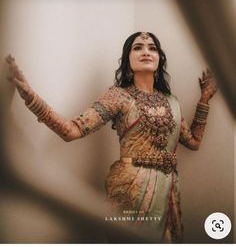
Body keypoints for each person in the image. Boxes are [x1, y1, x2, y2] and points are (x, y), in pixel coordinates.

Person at [5, 31, 217, 243]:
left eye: (152, 48)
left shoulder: (171, 104)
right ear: (127, 58)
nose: (146, 52)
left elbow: (194, 142)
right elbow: (70, 131)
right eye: (138, 47)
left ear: (160, 58)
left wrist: (204, 101)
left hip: (166, 196)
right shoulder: (117, 97)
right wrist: (29, 96)